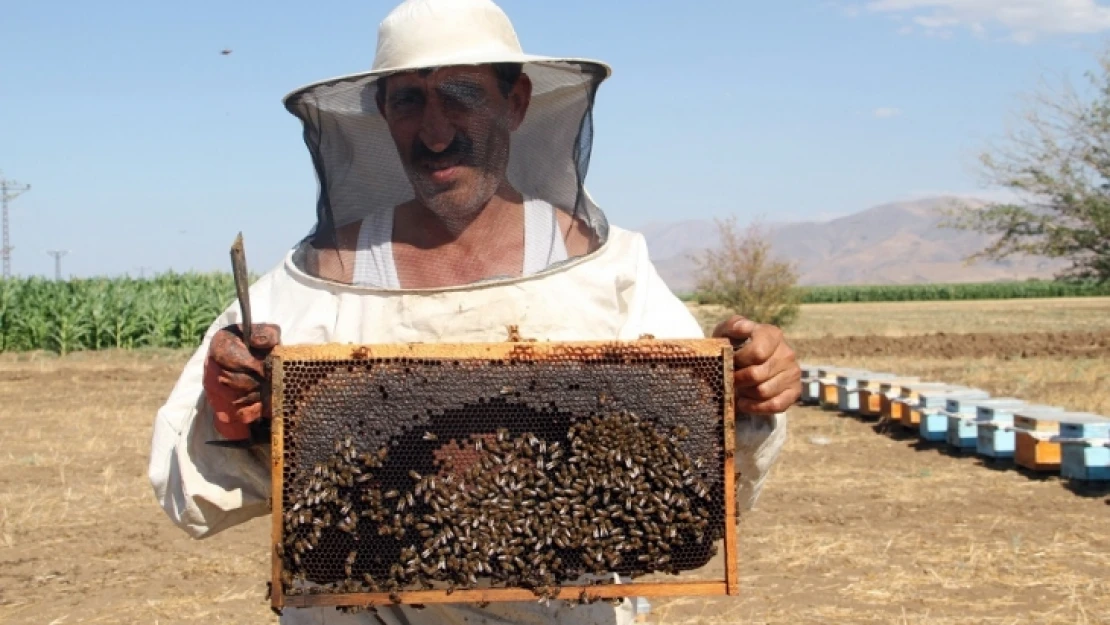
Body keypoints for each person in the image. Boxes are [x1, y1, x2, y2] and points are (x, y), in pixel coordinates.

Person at [148, 0, 800, 623]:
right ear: (383, 111)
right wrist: (232, 419)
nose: (434, 131)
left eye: (460, 94)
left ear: (515, 103)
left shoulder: (612, 275)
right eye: (410, 99)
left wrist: (747, 398)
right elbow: (187, 491)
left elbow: (704, 480)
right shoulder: (313, 286)